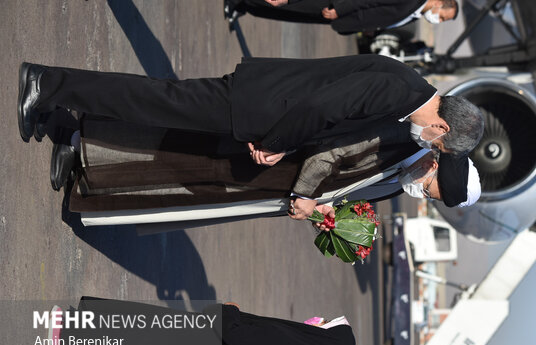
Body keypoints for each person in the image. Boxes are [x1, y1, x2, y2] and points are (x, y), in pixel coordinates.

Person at [18, 56, 483, 219]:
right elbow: (321, 109)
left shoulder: (405, 94)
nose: (430, 146)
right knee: (150, 100)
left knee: (153, 108)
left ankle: (58, 106)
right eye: (439, 144)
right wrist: (280, 141)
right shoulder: (398, 90)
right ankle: (45, 83)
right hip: (260, 104)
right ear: (443, 126)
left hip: (263, 103)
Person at [39, 112, 479, 228]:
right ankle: (84, 144)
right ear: (434, 163)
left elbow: (341, 193)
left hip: (268, 190)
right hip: (276, 160)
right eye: (431, 186)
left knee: (179, 185)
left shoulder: (395, 186)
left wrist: (325, 217)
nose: (421, 190)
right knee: (178, 152)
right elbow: (331, 152)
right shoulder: (399, 140)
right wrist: (307, 194)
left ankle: (87, 178)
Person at [48, 297, 355, 345]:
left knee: (146, 333)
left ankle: (69, 336)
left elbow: (246, 339)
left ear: (326, 339)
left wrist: (229, 312)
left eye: (326, 324)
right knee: (147, 341)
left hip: (213, 338)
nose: (319, 321)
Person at [224, 0, 459, 35]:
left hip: (344, 20)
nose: (439, 20)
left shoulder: (415, 15)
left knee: (287, 14)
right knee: (290, 4)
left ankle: (246, 8)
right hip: (337, 7)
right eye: (444, 16)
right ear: (439, 2)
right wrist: (340, 7)